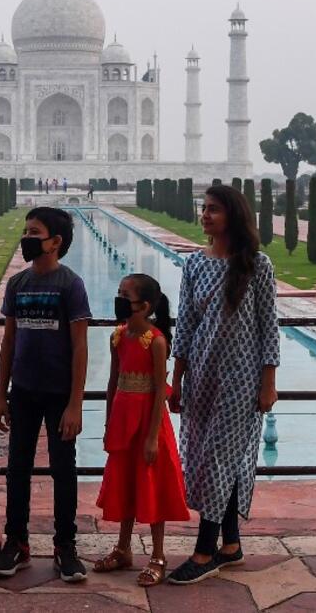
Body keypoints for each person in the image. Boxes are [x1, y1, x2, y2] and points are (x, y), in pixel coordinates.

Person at [166, 184, 280, 586]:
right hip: (202, 375)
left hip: (241, 379)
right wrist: (176, 379)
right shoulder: (194, 265)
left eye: (213, 209)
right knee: (206, 457)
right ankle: (231, 544)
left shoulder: (257, 265)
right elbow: (186, 326)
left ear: (233, 214)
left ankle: (204, 551)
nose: (205, 215)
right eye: (203, 208)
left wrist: (269, 383)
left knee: (217, 458)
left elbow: (270, 329)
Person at [0, 207, 90, 583]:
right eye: (26, 231)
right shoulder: (17, 284)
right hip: (25, 391)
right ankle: (17, 541)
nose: (27, 238)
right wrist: (1, 395)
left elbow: (80, 346)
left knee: (64, 470)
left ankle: (65, 545)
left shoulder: (70, 284)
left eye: (35, 232)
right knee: (18, 469)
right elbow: (9, 341)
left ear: (55, 241)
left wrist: (76, 403)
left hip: (60, 393)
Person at [93, 274, 189, 587]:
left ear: (145, 306)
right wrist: (108, 423)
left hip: (149, 422)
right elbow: (112, 381)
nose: (119, 299)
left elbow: (161, 389)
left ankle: (158, 555)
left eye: (125, 295)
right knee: (125, 483)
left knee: (151, 484)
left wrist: (151, 438)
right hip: (123, 420)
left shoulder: (156, 340)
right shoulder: (118, 336)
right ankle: (123, 548)